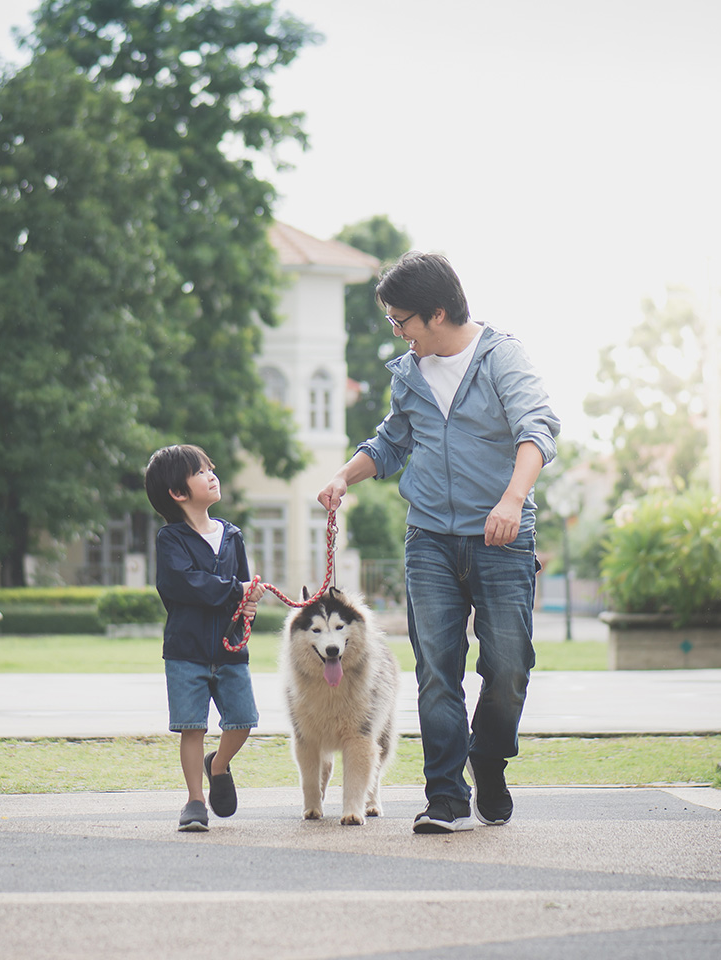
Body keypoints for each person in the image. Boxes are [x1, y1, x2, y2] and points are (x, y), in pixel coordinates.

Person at [318, 252, 560, 834]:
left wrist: (511, 500)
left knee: (508, 666)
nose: (396, 332)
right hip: (429, 537)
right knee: (436, 670)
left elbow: (539, 429)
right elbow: (392, 441)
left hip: (501, 537)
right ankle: (445, 796)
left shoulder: (503, 358)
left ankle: (490, 758)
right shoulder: (408, 373)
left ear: (439, 313)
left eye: (402, 321)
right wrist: (341, 477)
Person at [146, 443, 265, 832]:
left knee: (243, 721)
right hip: (187, 651)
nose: (212, 475)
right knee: (191, 727)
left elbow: (243, 586)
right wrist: (236, 589)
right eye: (201, 472)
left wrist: (249, 600)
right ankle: (195, 800)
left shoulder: (232, 535)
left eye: (210, 468)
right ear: (178, 493)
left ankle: (219, 765)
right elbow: (185, 584)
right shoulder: (171, 539)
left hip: (230, 649)